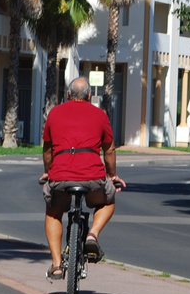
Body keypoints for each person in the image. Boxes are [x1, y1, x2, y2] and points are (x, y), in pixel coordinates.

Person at [40, 78, 126, 280]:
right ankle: (92, 235)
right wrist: (112, 175)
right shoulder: (100, 115)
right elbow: (110, 149)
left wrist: (49, 171)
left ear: (68, 95)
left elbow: (47, 150)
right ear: (89, 96)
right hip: (93, 178)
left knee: (53, 212)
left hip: (60, 177)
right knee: (109, 200)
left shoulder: (54, 113)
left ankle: (57, 265)